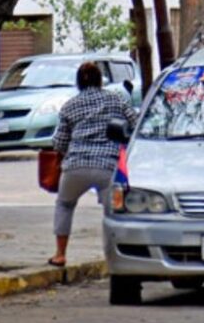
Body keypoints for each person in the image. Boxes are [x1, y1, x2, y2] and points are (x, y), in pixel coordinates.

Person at [48, 62, 138, 267]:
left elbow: (59, 143)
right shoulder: (116, 100)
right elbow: (134, 124)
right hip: (108, 166)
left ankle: (60, 254)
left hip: (75, 167)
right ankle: (115, 257)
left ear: (78, 82)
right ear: (100, 80)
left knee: (64, 204)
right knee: (113, 213)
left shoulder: (70, 105)